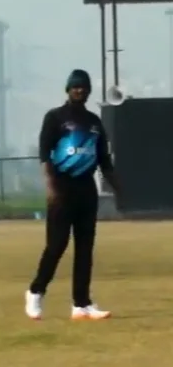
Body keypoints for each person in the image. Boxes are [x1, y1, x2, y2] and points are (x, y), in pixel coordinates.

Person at [25, 68, 119, 320]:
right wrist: (51, 186)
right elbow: (44, 154)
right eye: (75, 86)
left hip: (86, 189)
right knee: (57, 245)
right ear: (68, 89)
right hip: (62, 187)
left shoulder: (94, 122)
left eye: (83, 87)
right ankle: (35, 292)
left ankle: (81, 304)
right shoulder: (55, 117)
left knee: (85, 248)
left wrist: (120, 189)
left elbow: (104, 161)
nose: (80, 90)